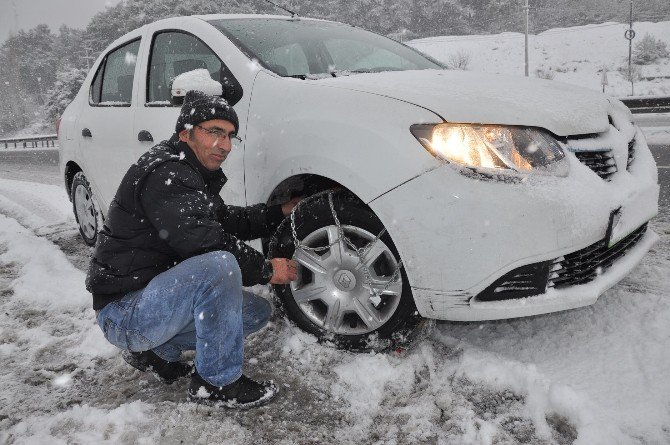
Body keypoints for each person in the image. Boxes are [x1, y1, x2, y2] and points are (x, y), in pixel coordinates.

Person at [86, 90, 299, 409]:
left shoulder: (189, 172)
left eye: (230, 136)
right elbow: (206, 240)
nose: (224, 145)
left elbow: (226, 221)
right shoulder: (167, 173)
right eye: (214, 132)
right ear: (186, 132)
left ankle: (156, 351)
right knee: (220, 265)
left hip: (151, 299)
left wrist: (278, 212)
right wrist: (268, 270)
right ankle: (216, 383)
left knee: (254, 313)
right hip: (124, 310)